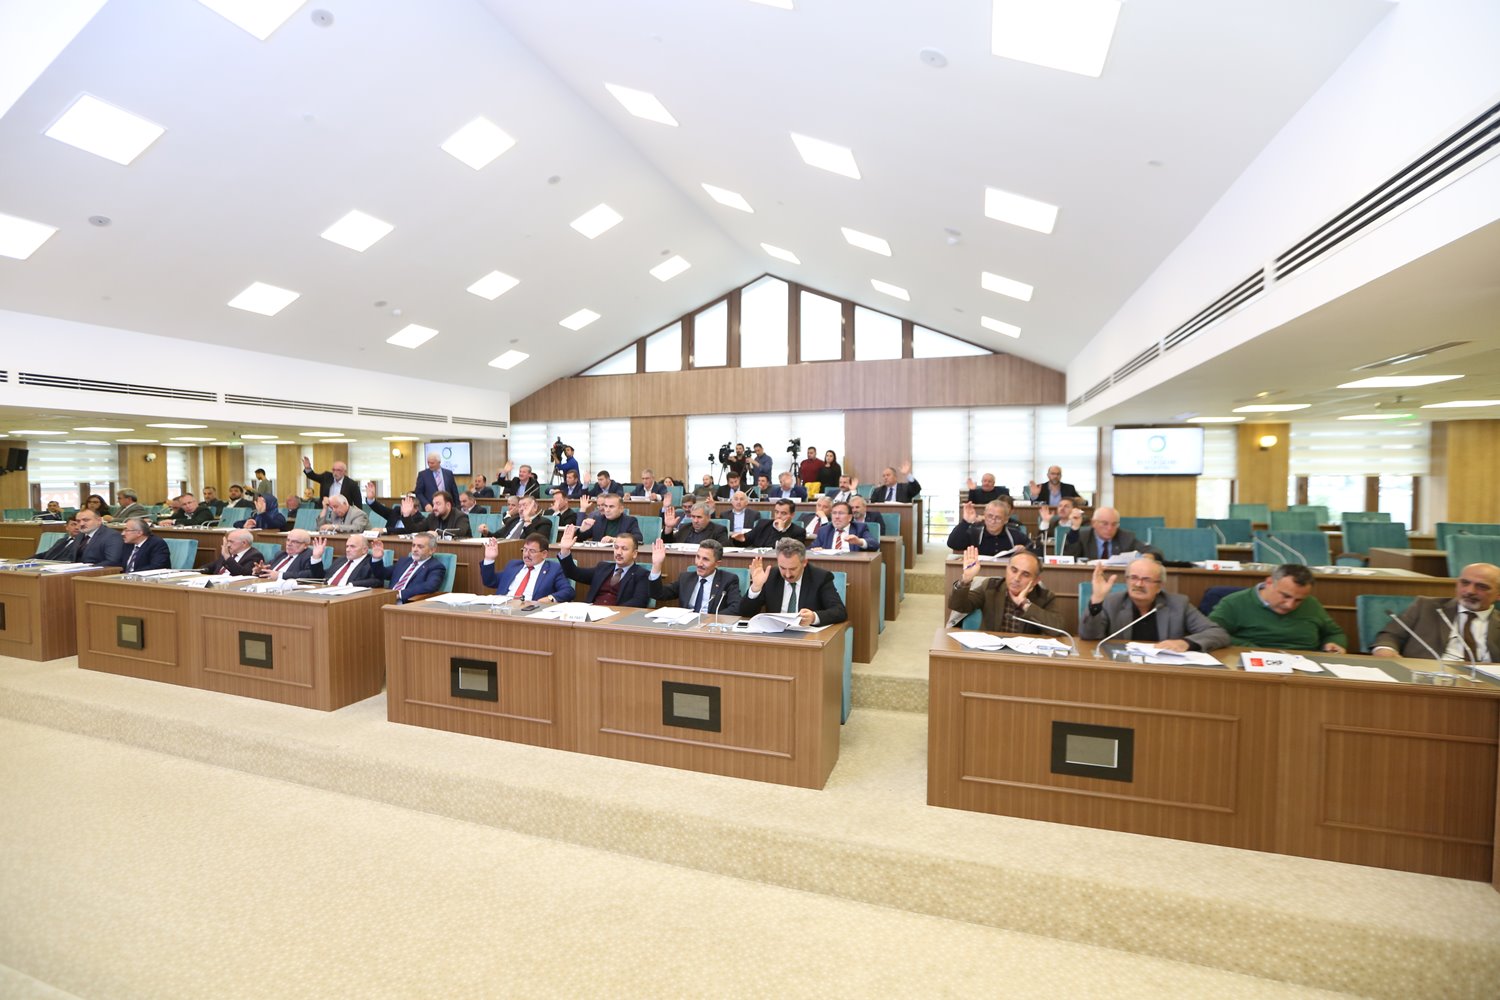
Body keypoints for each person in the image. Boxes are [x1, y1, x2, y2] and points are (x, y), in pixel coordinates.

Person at [1080, 558, 1230, 652]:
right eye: (1134, 578)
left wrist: (1186, 643)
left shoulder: (1178, 604)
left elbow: (1218, 633)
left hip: (1164, 671)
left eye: (1146, 580)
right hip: (1122, 668)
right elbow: (1089, 636)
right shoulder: (1111, 602)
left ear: (1160, 586)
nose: (1139, 584)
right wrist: (1097, 599)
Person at [1371, 562, 1499, 661]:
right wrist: (1385, 649)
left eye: (1482, 587)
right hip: (1427, 675)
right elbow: (1391, 635)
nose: (1470, 591)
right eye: (1465, 583)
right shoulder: (1426, 606)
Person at [1209, 564, 1347, 652]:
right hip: (1254, 661)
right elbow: (1210, 633)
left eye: (1299, 600)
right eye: (1285, 596)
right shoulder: (1234, 603)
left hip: (1306, 664)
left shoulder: (1311, 603)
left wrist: (1334, 643)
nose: (1290, 605)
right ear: (1269, 582)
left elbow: (1334, 633)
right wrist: (1250, 648)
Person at [948, 547, 1066, 634]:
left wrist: (1025, 605)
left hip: (1024, 657)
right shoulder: (991, 587)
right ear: (1007, 569)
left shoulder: (1045, 597)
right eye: (1014, 570)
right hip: (991, 653)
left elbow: (1058, 630)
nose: (1017, 578)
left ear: (1035, 580)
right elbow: (958, 605)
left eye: (1025, 574)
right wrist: (966, 580)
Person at [741, 538, 847, 627]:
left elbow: (839, 611)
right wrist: (756, 588)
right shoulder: (770, 576)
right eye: (783, 568)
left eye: (793, 569)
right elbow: (745, 613)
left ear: (804, 562)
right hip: (775, 635)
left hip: (807, 636)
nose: (787, 575)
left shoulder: (820, 577)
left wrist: (814, 617)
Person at [556, 524, 652, 607]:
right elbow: (573, 573)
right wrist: (565, 550)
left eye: (624, 549)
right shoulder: (603, 568)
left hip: (618, 618)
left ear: (634, 553)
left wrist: (614, 612)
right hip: (591, 613)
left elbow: (639, 602)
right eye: (616, 547)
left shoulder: (642, 575)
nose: (619, 552)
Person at [649, 537, 741, 615]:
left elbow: (736, 607)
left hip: (711, 626)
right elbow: (658, 594)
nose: (699, 563)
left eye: (705, 559)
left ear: (717, 564)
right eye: (698, 557)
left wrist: (711, 619)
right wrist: (657, 565)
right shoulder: (686, 578)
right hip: (686, 625)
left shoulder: (728, 580)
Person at [480, 533, 574, 602]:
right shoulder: (513, 565)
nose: (526, 555)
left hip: (529, 610)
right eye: (524, 550)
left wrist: (550, 598)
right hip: (503, 608)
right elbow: (490, 581)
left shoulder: (554, 569)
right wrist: (489, 559)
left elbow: (568, 591)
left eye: (532, 551)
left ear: (544, 554)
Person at [946, 499, 1037, 557]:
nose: (993, 521)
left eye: (998, 518)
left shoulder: (1015, 534)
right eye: (989, 516)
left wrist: (1025, 550)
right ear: (984, 516)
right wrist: (965, 522)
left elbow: (1036, 550)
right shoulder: (975, 532)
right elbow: (953, 544)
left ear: (1006, 520)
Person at [1061, 507, 1158, 560]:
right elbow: (1069, 557)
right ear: (1094, 523)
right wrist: (1075, 529)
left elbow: (1153, 551)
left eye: (1114, 524)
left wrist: (1150, 555)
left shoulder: (1126, 537)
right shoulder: (1083, 536)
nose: (1110, 528)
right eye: (1105, 524)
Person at [371, 533, 444, 603]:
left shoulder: (435, 566)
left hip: (406, 603)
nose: (415, 549)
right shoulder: (404, 561)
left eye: (420, 546)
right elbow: (382, 574)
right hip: (387, 600)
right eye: (413, 545)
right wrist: (377, 559)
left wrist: (400, 594)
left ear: (432, 550)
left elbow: (430, 586)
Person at [254, 529, 322, 580]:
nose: (289, 544)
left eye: (294, 542)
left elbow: (311, 574)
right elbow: (268, 570)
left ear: (305, 545)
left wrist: (280, 575)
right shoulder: (281, 554)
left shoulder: (309, 556)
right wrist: (261, 570)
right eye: (288, 540)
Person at [576, 493, 642, 544]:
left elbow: (638, 538)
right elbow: (578, 539)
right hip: (599, 555)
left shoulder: (630, 521)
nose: (607, 510)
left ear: (621, 509)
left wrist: (615, 540)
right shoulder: (597, 520)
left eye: (611, 507)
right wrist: (582, 530)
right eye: (605, 506)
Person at [661, 503, 729, 546]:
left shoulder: (719, 530)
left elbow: (722, 550)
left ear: (708, 517)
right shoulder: (685, 527)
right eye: (693, 517)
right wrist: (669, 527)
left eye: (699, 517)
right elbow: (668, 544)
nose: (695, 521)